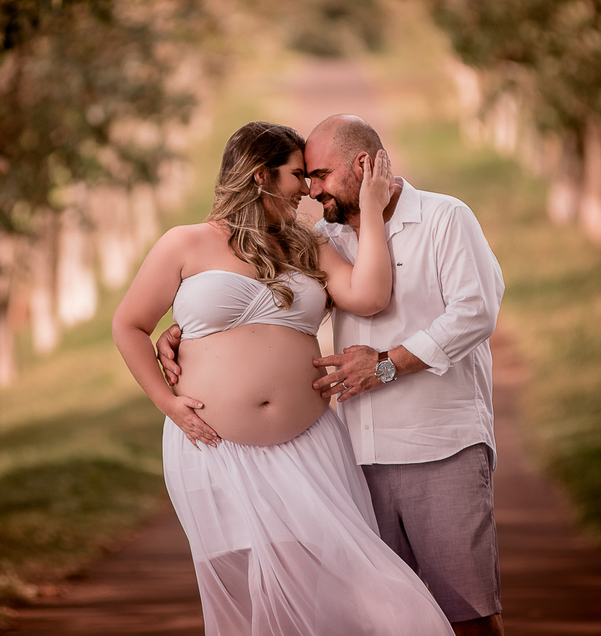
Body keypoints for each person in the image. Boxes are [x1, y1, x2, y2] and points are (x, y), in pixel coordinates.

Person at [160, 115, 506, 636]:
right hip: (354, 456)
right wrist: (188, 331)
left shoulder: (444, 217)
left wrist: (388, 364)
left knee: (466, 615)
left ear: (363, 165)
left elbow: (476, 312)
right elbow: (277, 310)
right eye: (304, 176)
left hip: (438, 446)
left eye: (319, 174)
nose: (310, 190)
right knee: (367, 617)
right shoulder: (320, 236)